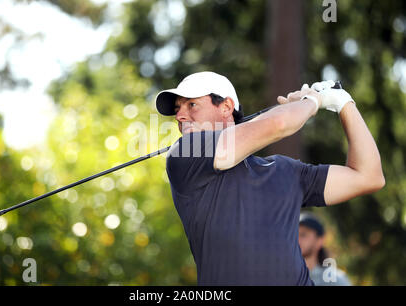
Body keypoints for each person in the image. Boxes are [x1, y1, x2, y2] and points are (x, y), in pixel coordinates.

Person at [155, 71, 385, 285]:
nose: (180, 115)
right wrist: (313, 101)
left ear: (226, 106)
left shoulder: (285, 169)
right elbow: (279, 123)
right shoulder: (184, 154)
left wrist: (343, 103)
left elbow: (368, 176)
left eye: (192, 104)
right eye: (178, 108)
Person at [298, 212, 351, 286]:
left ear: (320, 240)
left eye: (303, 235)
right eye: (294, 234)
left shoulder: (336, 281)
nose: (297, 239)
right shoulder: (281, 277)